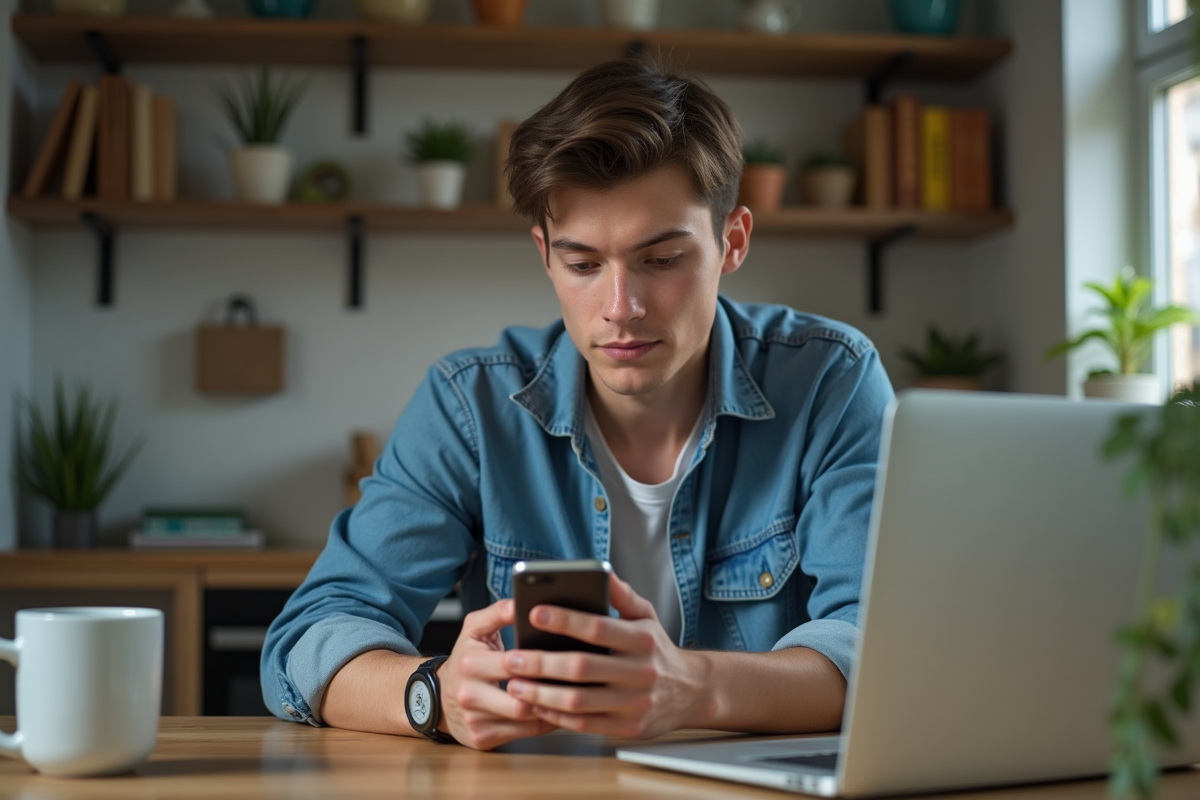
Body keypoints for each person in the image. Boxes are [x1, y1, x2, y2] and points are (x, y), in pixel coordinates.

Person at [261, 57, 894, 751]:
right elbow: (313, 635)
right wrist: (434, 695)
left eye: (661, 260)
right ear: (545, 254)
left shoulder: (832, 379)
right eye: (584, 264)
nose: (620, 308)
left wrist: (692, 687)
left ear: (732, 242)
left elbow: (880, 647)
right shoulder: (470, 406)